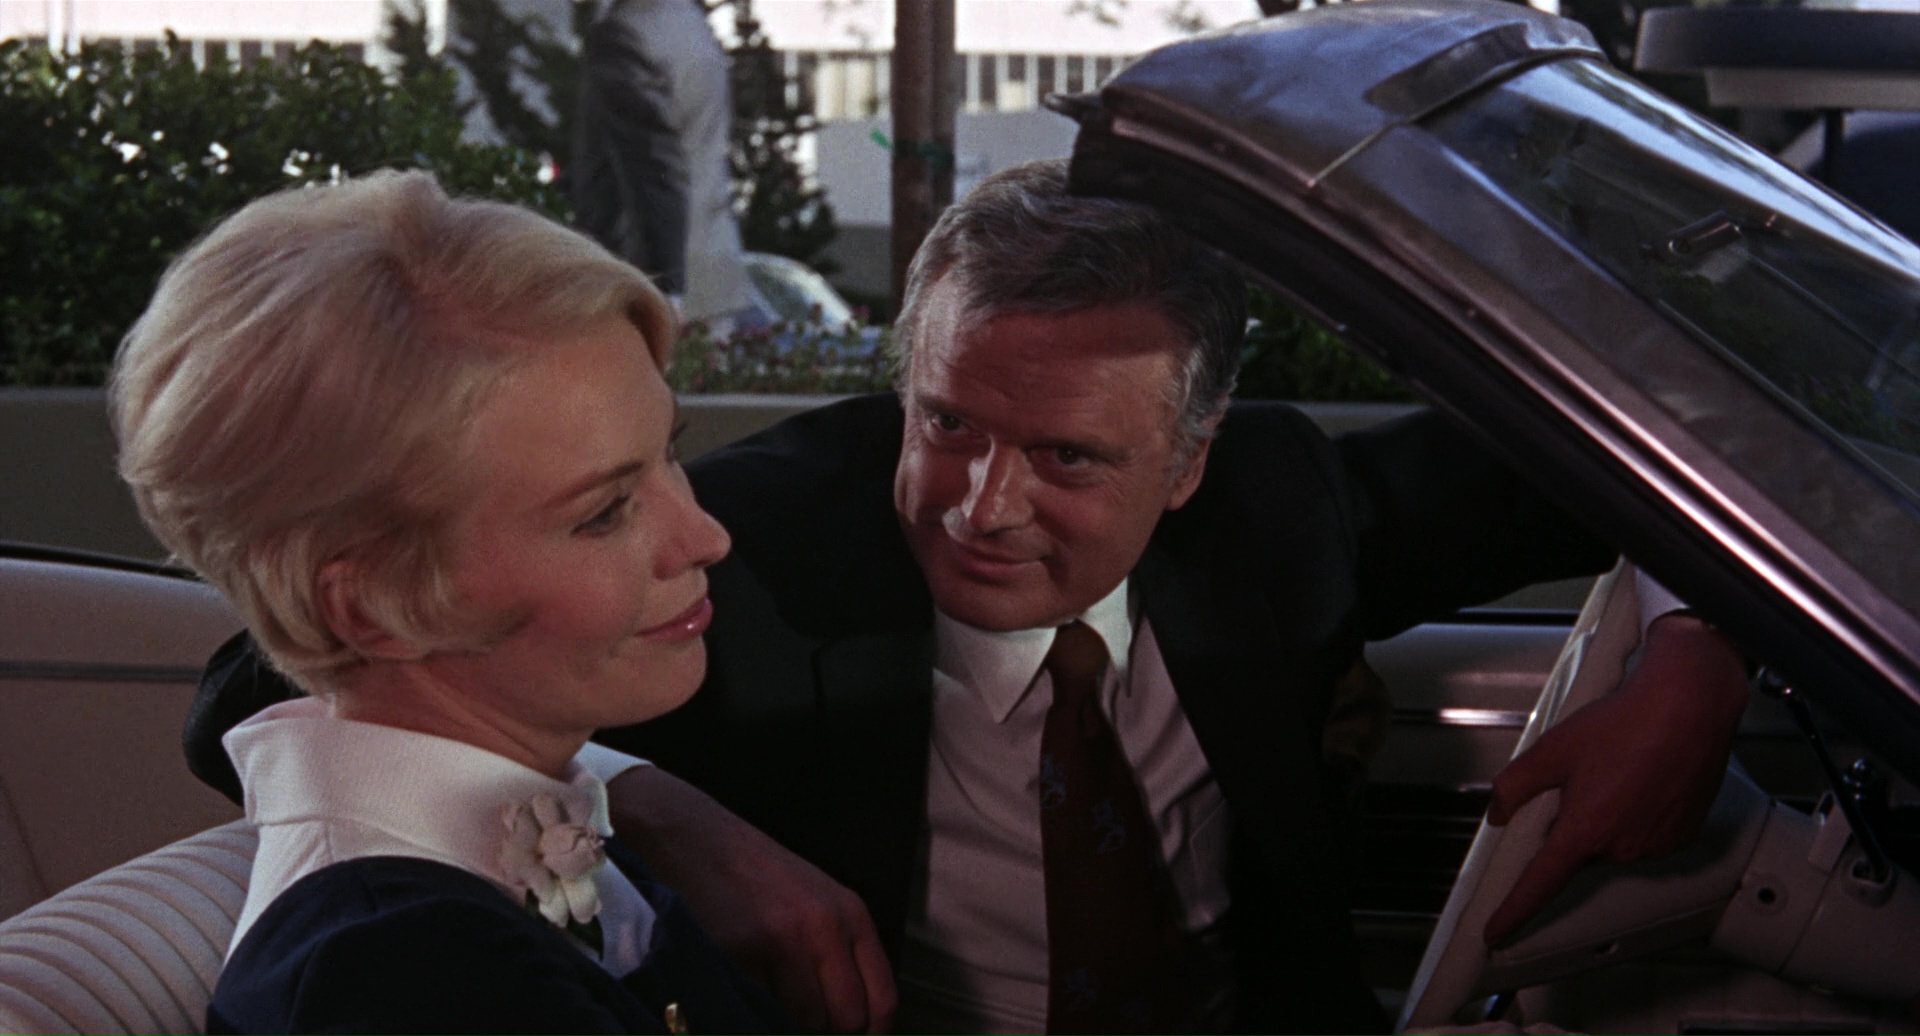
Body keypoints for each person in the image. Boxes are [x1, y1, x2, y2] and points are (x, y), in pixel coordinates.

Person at [184, 160, 1749, 1035]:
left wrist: (1696, 665)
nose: (978, 506)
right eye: (944, 423)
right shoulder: (761, 539)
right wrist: (659, 805)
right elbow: (286, 684)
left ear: (1189, 461)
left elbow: (1694, 452)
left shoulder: (1278, 508)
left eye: (1068, 456)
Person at [114, 170, 787, 1035]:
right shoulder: (404, 976)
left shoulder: (507, 843)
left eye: (670, 454)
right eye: (605, 512)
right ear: (373, 609)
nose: (704, 537)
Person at [572, 0, 756, 329]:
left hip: (649, 281)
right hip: (713, 259)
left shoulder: (622, 34)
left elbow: (652, 165)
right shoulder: (692, 24)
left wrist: (666, 287)